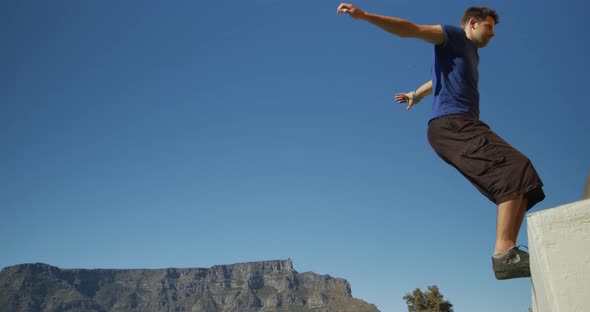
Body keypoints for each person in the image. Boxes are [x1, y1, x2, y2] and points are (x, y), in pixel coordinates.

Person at [337, 3, 545, 280]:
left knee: (524, 176)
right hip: (452, 125)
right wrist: (364, 16)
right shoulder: (452, 36)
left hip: (461, 125)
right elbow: (410, 30)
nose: (493, 35)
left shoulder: (469, 55)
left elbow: (437, 79)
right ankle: (504, 254)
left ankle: (509, 254)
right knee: (513, 169)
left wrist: (415, 94)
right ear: (472, 23)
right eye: (489, 27)